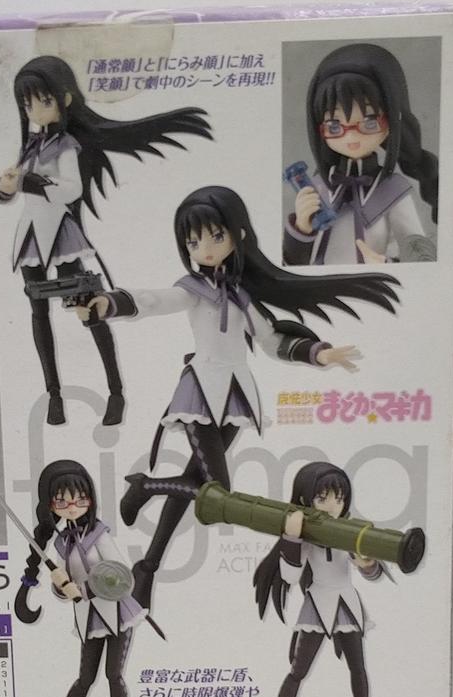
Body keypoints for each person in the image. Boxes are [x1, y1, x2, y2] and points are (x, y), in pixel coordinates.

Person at [77, 185, 400, 606]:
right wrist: (109, 303)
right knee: (219, 492)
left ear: (237, 234)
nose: (205, 249)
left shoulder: (243, 296)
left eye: (216, 236)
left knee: (197, 480)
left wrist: (318, 353)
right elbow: (155, 300)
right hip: (200, 393)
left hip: (235, 397)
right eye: (194, 242)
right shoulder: (193, 289)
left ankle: (148, 565)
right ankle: (147, 487)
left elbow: (271, 341)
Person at [0, 55, 211, 426]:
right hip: (29, 236)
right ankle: (54, 394)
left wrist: (30, 182)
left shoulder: (66, 146)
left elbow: (71, 189)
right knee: (38, 312)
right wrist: (5, 187)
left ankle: (115, 391)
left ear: (64, 99)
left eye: (42, 101)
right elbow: (10, 193)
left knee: (90, 309)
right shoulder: (31, 145)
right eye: (27, 104)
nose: (34, 110)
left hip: (59, 236)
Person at [253, 462, 388, 697]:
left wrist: (366, 563)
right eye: (322, 498)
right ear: (306, 498)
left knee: (358, 670)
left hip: (347, 603)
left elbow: (372, 572)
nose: (332, 506)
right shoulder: (308, 534)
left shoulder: (351, 529)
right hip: (318, 604)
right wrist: (292, 538)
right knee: (297, 673)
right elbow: (290, 575)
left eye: (338, 498)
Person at [14, 460, 146, 697]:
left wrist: (84, 588)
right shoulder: (63, 543)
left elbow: (121, 575)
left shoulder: (99, 534)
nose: (72, 506)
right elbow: (66, 586)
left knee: (113, 676)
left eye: (79, 499)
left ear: (89, 498)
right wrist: (61, 587)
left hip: (117, 614)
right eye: (62, 501)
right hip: (89, 619)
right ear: (51, 506)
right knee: (84, 679)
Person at [283, 43, 438, 266]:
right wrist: (301, 229)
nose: (351, 136)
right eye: (335, 126)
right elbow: (293, 264)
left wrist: (387, 265)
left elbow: (418, 253)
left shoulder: (393, 190)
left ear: (392, 121)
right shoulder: (317, 187)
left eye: (369, 122)